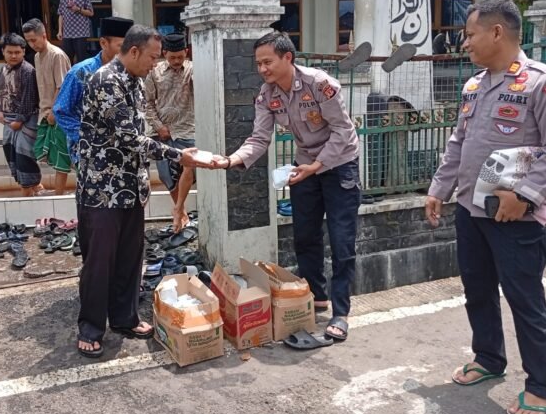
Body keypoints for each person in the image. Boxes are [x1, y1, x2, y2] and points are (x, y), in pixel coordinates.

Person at [425, 0, 546, 414]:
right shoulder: (474, 86)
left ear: (496, 32)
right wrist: (439, 188)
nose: (465, 43)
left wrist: (524, 194)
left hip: (514, 217)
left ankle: (541, 386)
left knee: (525, 299)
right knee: (477, 289)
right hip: (470, 209)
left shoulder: (544, 83)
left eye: (470, 35)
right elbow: (459, 143)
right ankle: (489, 357)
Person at [210, 32, 361, 342]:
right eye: (258, 64)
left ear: (287, 57)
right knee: (304, 235)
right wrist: (229, 160)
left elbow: (343, 131)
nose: (262, 69)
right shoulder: (267, 95)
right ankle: (316, 296)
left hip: (339, 164)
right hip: (304, 166)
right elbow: (259, 138)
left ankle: (341, 312)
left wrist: (317, 166)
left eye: (267, 62)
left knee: (342, 240)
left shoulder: (320, 84)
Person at [75, 25, 202, 358]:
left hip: (131, 186)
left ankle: (124, 317)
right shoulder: (105, 81)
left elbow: (139, 133)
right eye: (152, 57)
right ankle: (91, 327)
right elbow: (129, 138)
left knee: (130, 257)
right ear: (134, 52)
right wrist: (179, 155)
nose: (155, 64)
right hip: (102, 189)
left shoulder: (134, 82)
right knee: (99, 261)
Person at [53, 16, 134, 165]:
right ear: (103, 43)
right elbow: (61, 111)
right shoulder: (81, 72)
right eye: (121, 46)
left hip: (124, 150)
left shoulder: (131, 72)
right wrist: (86, 137)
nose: (126, 52)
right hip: (90, 153)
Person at [144, 33, 195, 232]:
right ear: (164, 53)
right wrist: (158, 126)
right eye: (172, 57)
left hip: (187, 128)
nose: (176, 61)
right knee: (166, 176)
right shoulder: (154, 72)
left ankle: (179, 209)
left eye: (180, 57)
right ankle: (181, 211)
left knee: (189, 167)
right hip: (162, 132)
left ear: (186, 52)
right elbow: (147, 103)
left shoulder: (192, 70)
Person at [22, 18, 72, 195]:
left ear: (44, 35)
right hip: (45, 113)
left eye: (33, 40)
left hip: (59, 113)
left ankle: (59, 194)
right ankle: (58, 192)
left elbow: (62, 86)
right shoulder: (37, 57)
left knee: (61, 156)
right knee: (49, 153)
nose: (31, 44)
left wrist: (54, 111)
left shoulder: (57, 55)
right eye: (28, 41)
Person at [0, 32, 42, 197]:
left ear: (23, 51)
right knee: (10, 152)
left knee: (24, 155)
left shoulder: (28, 71)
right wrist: (0, 110)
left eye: (17, 52)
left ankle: (27, 191)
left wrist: (20, 120)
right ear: (3, 51)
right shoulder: (3, 69)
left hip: (26, 119)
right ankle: (36, 187)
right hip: (8, 118)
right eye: (10, 52)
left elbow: (29, 99)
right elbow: (4, 92)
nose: (14, 56)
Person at [56, 0, 93, 64]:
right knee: (67, 59)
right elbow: (61, 15)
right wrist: (60, 31)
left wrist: (79, 9)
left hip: (81, 33)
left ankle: (81, 73)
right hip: (67, 34)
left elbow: (91, 13)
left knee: (81, 59)